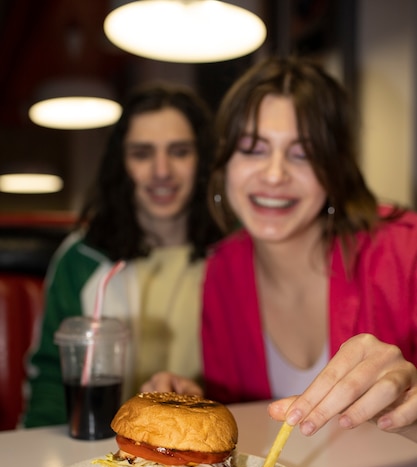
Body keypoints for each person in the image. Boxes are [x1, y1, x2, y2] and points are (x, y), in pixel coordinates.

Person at [142, 56, 417, 442]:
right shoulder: (222, 269)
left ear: (335, 172)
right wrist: (200, 403)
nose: (274, 174)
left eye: (302, 154)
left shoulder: (407, 251)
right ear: (224, 166)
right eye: (253, 149)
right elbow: (241, 423)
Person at [23, 82, 223, 428]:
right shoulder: (81, 259)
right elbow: (52, 377)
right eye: (142, 153)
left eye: (179, 151)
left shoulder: (235, 256)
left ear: (203, 160)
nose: (162, 171)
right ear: (121, 165)